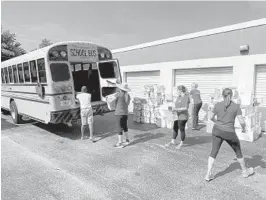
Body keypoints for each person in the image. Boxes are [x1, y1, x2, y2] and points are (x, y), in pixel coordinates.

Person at [205, 88, 254, 181]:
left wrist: (217, 122)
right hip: (229, 133)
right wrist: (244, 129)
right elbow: (242, 121)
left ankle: (208, 174)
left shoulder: (218, 105)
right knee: (238, 151)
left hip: (217, 130)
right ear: (231, 96)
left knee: (213, 151)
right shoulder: (236, 106)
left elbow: (210, 117)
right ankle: (245, 171)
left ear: (222, 96)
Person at [166, 85, 190, 149]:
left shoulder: (186, 97)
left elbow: (186, 108)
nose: (177, 91)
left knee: (182, 129)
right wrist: (172, 108)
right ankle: (173, 141)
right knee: (175, 127)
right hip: (177, 115)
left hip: (183, 116)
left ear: (181, 90)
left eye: (177, 90)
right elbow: (177, 105)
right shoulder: (178, 97)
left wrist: (176, 109)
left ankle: (182, 143)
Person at [113, 82, 131, 148]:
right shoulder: (128, 96)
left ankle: (120, 143)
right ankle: (127, 140)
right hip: (125, 113)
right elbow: (128, 104)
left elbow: (114, 102)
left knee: (119, 127)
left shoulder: (118, 94)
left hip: (119, 113)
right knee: (125, 126)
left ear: (120, 88)